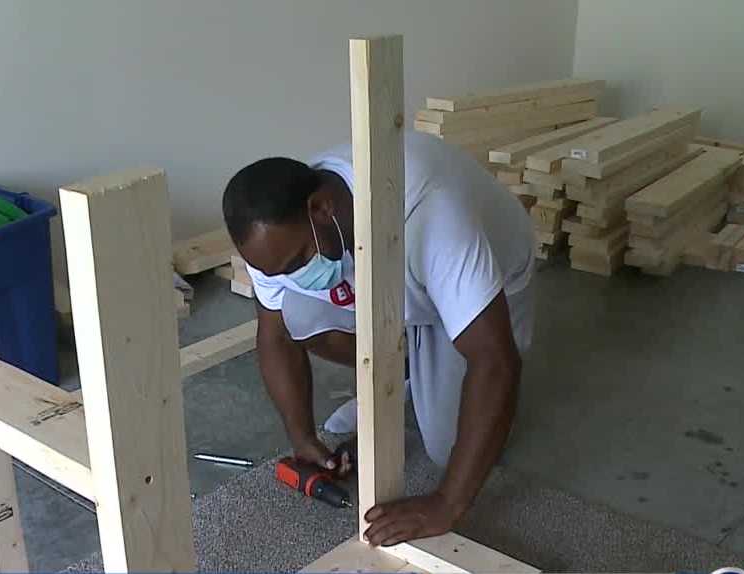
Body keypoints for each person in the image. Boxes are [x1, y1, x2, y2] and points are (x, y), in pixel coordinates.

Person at [221, 132, 536, 546]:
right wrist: (302, 437)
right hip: (396, 279)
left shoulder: (430, 212)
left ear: (321, 208)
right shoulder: (278, 236)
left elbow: (495, 361)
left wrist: (446, 504)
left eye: (297, 262)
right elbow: (274, 335)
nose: (290, 275)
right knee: (297, 311)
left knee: (448, 448)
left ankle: (428, 358)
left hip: (489, 282)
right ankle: (408, 369)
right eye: (276, 271)